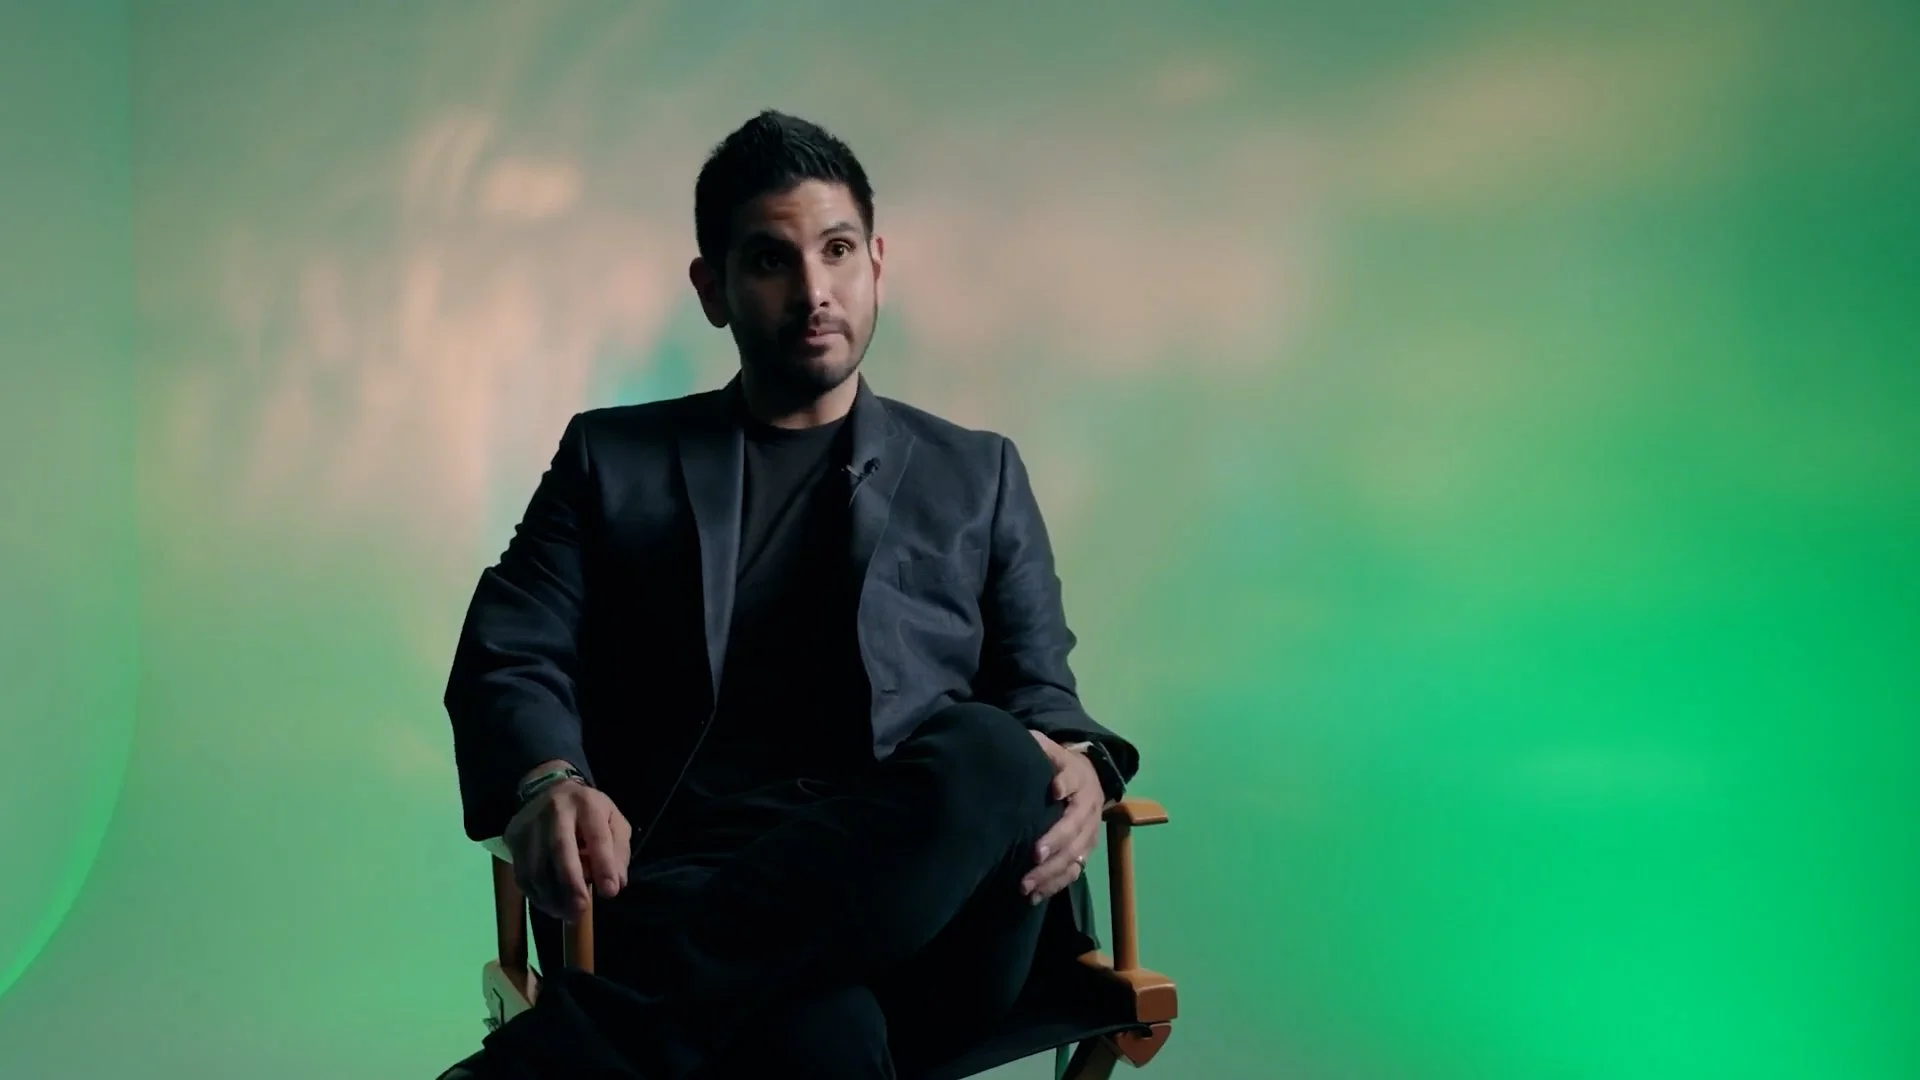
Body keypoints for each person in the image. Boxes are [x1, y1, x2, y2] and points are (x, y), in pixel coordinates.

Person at [442, 110, 1138, 1079]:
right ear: (713, 289)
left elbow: (1041, 693)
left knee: (990, 747)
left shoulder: (977, 472)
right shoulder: (614, 460)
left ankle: (563, 1058)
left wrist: (1088, 767)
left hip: (939, 916)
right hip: (694, 883)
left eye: (838, 251)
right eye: (771, 260)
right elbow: (512, 650)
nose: (814, 291)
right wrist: (549, 780)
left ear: (876, 264)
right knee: (821, 1041)